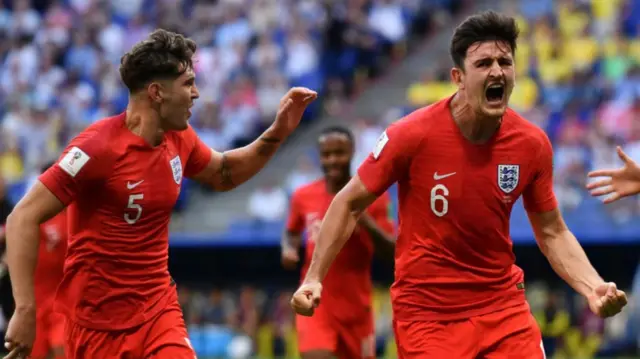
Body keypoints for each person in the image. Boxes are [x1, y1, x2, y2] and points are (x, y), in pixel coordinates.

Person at [290, 11, 627, 359]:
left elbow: (552, 232)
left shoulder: (532, 144)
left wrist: (592, 286)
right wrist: (314, 277)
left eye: (504, 61)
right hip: (428, 318)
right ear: (458, 78)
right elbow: (349, 202)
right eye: (483, 63)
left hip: (503, 309)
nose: (497, 70)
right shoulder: (412, 134)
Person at [4, 29, 317, 359]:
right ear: (156, 92)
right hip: (96, 327)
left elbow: (224, 172)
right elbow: (22, 217)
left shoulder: (179, 139)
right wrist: (24, 310)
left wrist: (278, 131)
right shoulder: (96, 148)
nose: (196, 94)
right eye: (187, 83)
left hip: (158, 311)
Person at [281, 126, 395, 359]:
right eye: (327, 154)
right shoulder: (303, 196)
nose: (333, 160)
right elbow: (291, 231)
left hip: (357, 310)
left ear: (352, 152)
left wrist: (363, 219)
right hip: (315, 303)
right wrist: (289, 248)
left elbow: (391, 252)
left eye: (339, 153)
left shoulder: (374, 196)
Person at [30, 162, 68, 359]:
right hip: (33, 302)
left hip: (61, 301)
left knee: (61, 350)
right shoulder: (28, 215)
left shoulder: (72, 214)